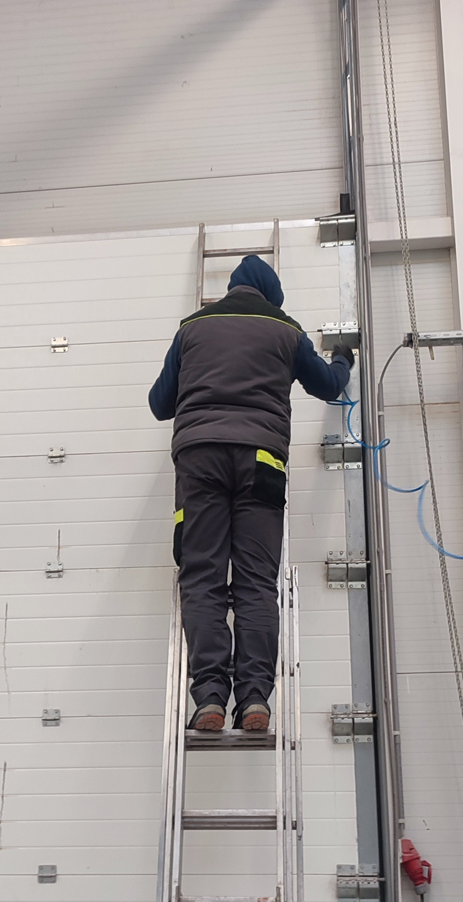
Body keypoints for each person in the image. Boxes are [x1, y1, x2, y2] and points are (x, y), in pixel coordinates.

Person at [148, 254, 354, 732]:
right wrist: (343, 358)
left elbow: (160, 404)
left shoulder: (191, 327)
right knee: (256, 581)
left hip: (200, 460)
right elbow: (329, 386)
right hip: (263, 461)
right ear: (270, 298)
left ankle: (210, 698)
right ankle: (256, 697)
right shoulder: (285, 329)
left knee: (202, 576)